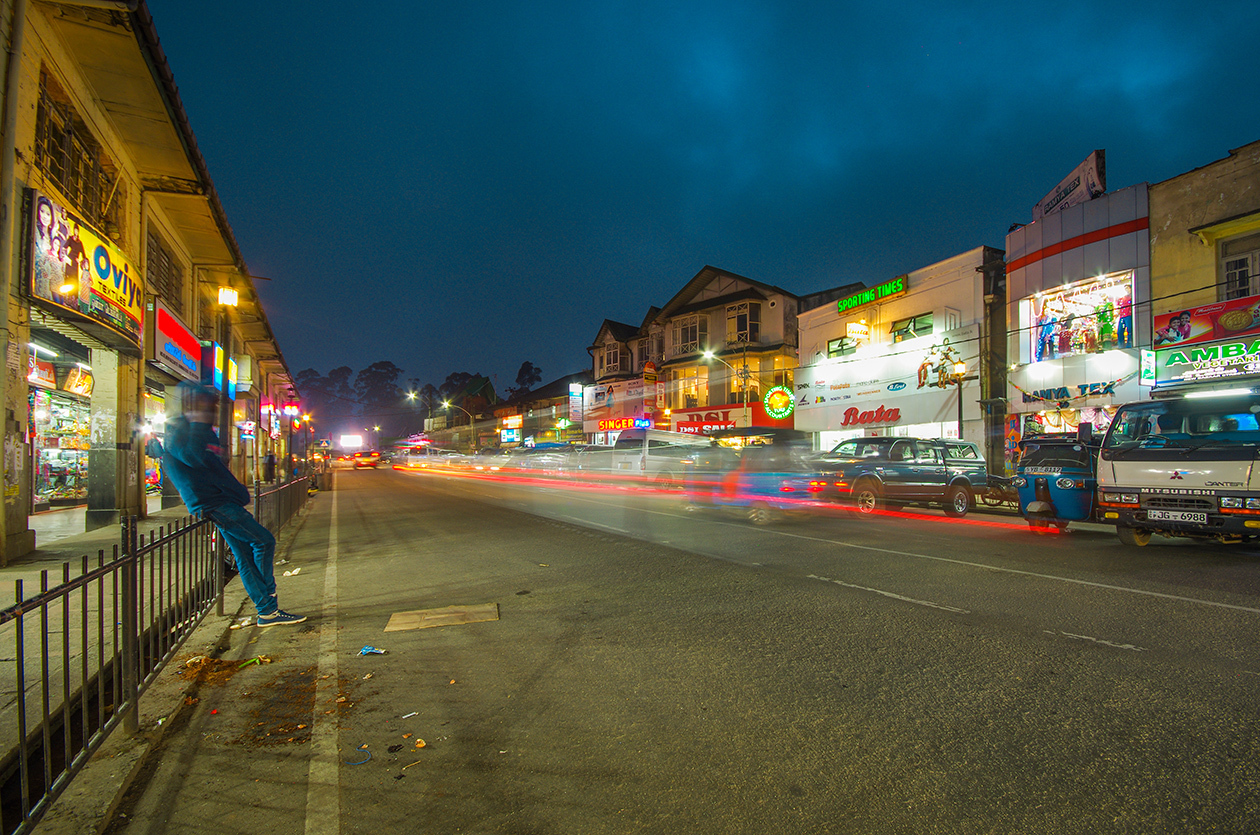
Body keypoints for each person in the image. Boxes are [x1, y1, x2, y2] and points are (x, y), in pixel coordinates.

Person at [162, 381, 306, 627]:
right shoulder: (180, 431)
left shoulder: (202, 430)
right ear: (192, 405)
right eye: (207, 405)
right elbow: (194, 458)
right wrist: (198, 421)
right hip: (214, 503)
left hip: (222, 500)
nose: (212, 410)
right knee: (263, 541)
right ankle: (269, 597)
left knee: (245, 556)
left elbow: (216, 465)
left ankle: (267, 612)